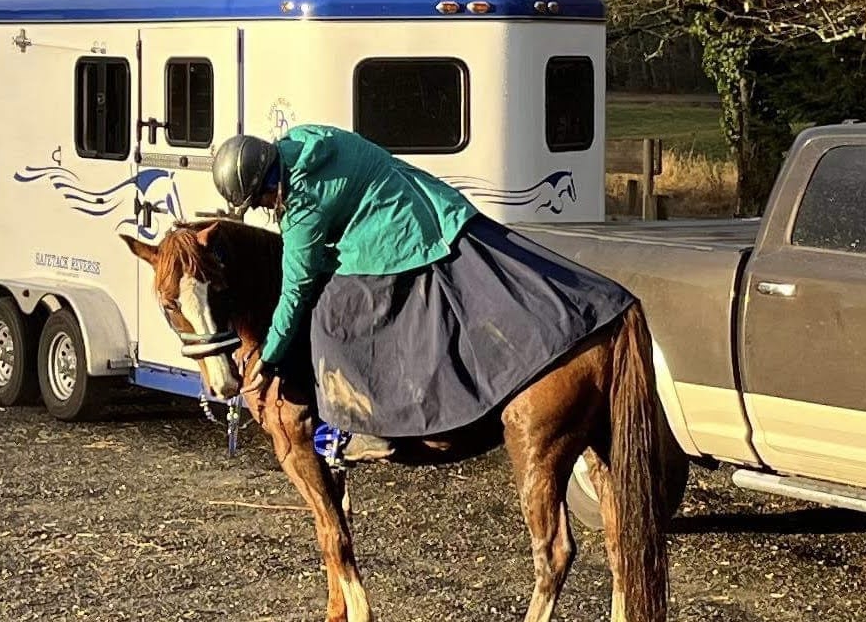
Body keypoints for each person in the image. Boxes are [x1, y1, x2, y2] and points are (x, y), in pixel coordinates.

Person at [209, 125, 632, 445]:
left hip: (396, 231)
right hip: (427, 199)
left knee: (333, 317)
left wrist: (272, 354)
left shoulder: (302, 207)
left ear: (267, 184)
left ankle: (363, 429)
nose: (266, 209)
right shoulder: (304, 139)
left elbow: (297, 287)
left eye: (261, 201)